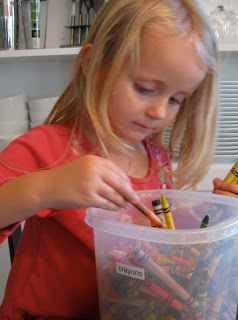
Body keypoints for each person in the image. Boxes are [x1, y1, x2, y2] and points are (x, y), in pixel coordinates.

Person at [0, 0, 219, 319]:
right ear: (93, 63)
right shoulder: (49, 147)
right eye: (144, 88)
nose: (160, 112)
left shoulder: (156, 156)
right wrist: (45, 188)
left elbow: (159, 243)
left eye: (176, 99)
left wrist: (210, 220)